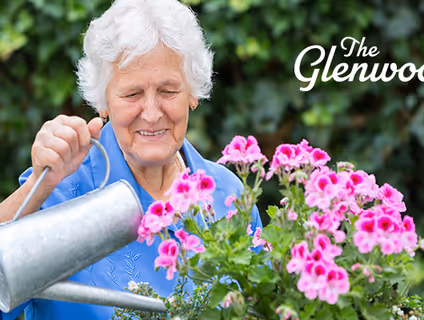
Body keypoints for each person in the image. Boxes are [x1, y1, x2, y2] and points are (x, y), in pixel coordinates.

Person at [0, 0, 263, 319]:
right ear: (103, 101)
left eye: (168, 91)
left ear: (192, 93)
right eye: (131, 95)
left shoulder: (228, 193)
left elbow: (259, 305)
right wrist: (39, 187)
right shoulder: (60, 189)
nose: (152, 114)